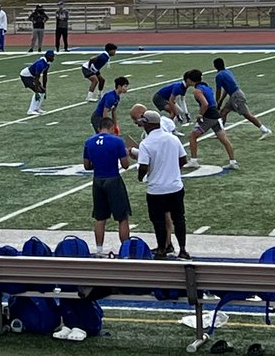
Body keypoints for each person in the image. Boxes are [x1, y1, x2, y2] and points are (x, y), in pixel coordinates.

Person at [135, 110, 190, 260]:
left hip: (156, 189)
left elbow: (144, 166)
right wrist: (173, 171)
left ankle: (161, 249)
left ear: (148, 124)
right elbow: (183, 159)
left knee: (158, 221)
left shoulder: (146, 143)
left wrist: (141, 177)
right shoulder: (173, 139)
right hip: (175, 186)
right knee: (179, 219)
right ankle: (183, 249)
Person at [83, 114, 132, 257]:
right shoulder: (117, 141)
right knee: (122, 217)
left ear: (99, 128)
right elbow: (125, 165)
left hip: (97, 179)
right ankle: (125, 250)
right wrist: (126, 153)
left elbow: (87, 166)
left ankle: (99, 249)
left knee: (100, 218)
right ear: (112, 128)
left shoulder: (89, 142)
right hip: (113, 178)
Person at [184, 69, 238, 170]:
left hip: (208, 117)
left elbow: (205, 104)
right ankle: (233, 162)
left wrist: (200, 115)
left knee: (192, 137)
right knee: (224, 139)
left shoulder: (197, 91)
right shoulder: (206, 87)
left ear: (190, 80)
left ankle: (194, 161)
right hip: (216, 116)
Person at [213, 57, 271, 138]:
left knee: (247, 115)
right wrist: (220, 101)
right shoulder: (228, 71)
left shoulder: (219, 76)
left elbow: (218, 90)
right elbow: (226, 89)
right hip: (234, 95)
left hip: (236, 96)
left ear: (215, 66)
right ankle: (221, 133)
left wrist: (217, 101)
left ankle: (265, 130)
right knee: (223, 112)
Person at [19, 50, 56, 116]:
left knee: (42, 91)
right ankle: (31, 110)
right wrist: (36, 91)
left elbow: (45, 76)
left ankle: (36, 108)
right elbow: (36, 77)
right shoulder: (40, 64)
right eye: (52, 57)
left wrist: (44, 87)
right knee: (39, 91)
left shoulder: (47, 64)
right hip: (26, 76)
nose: (53, 58)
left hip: (32, 76)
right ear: (48, 56)